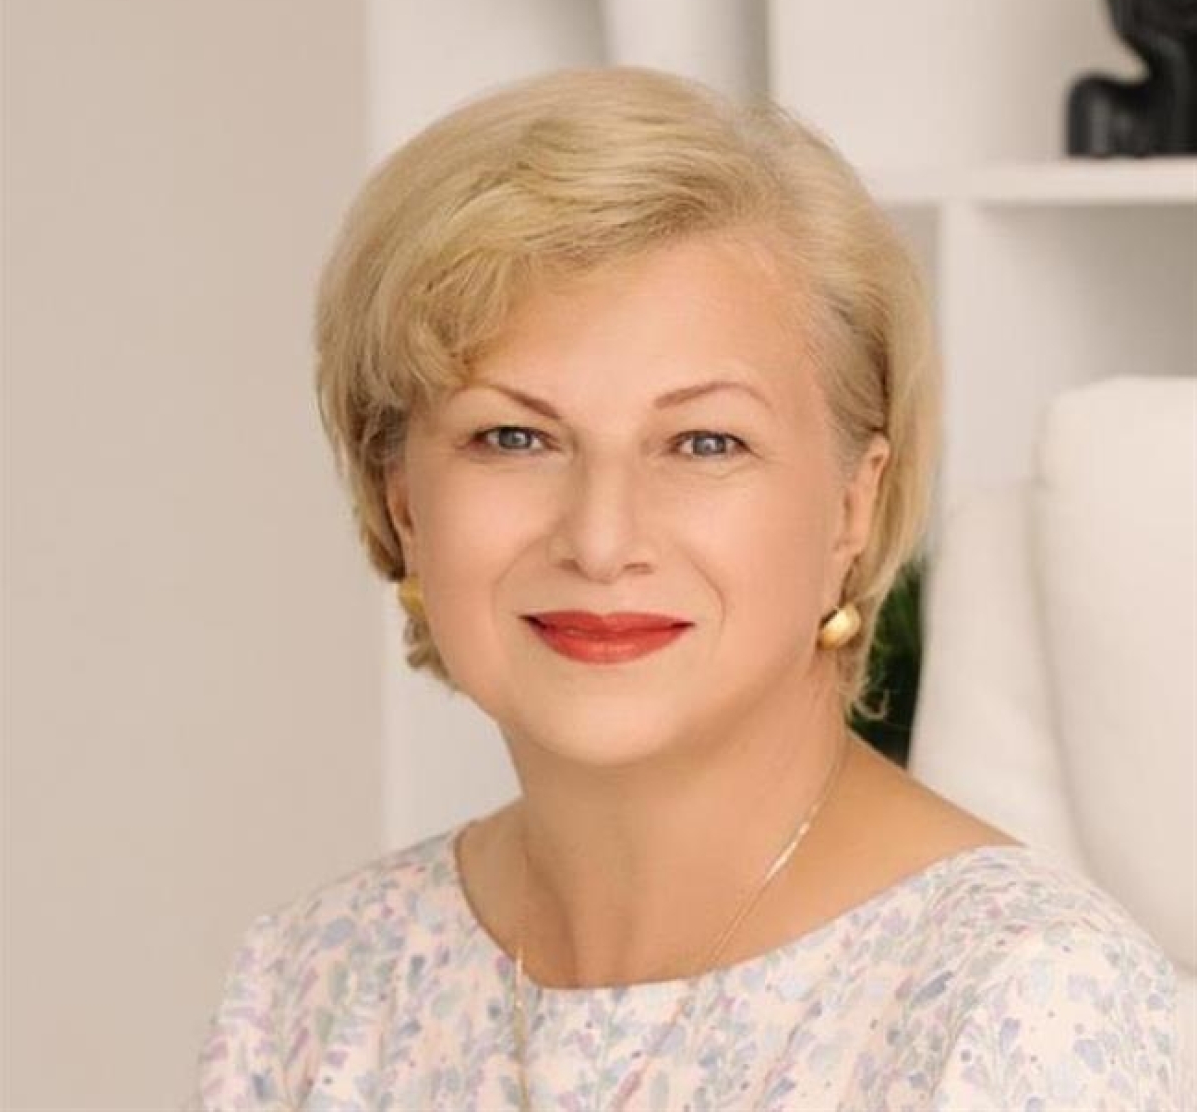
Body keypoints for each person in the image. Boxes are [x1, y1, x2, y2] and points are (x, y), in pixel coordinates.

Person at [186, 66, 1194, 1111]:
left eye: (705, 442)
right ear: (402, 501)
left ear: (852, 506)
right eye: (514, 437)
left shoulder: (1021, 1002)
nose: (601, 539)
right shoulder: (317, 982)